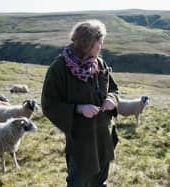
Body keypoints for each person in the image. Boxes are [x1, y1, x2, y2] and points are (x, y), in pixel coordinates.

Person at [41, 19, 119, 187]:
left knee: (100, 181)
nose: (101, 47)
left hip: (104, 136)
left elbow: (113, 88)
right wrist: (78, 108)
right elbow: (49, 104)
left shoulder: (99, 63)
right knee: (78, 182)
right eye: (99, 43)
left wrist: (111, 99)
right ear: (87, 43)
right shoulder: (59, 68)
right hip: (81, 142)